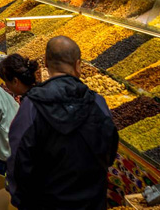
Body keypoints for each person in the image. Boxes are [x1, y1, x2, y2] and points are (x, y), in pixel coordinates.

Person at [7, 36, 119, 210]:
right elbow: (110, 152)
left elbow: (18, 160)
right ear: (78, 65)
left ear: (45, 62)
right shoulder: (97, 103)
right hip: (91, 203)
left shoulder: (31, 106)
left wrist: (21, 201)